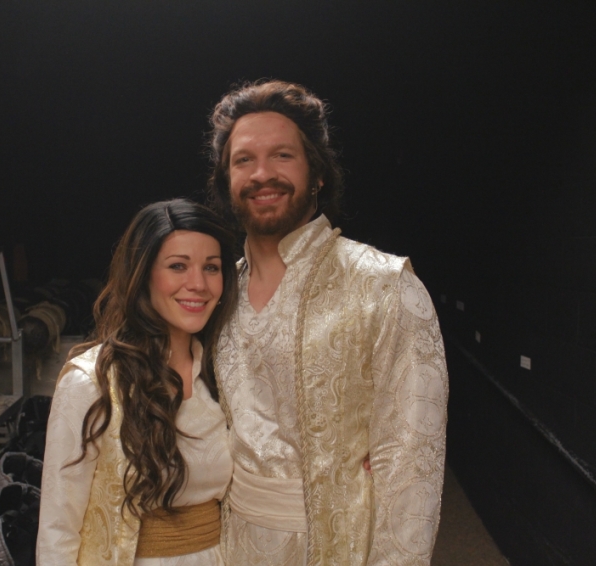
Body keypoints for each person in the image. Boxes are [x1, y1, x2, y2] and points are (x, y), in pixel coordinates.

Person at [206, 80, 449, 565]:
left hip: (337, 548)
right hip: (228, 546)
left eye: (282, 156)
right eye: (243, 160)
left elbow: (412, 468)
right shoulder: (216, 294)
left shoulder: (384, 285)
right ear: (226, 181)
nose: (262, 174)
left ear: (317, 173)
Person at [36, 199, 238, 565]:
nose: (198, 284)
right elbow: (57, 528)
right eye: (178, 266)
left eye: (212, 267)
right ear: (143, 274)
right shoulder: (92, 383)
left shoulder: (225, 376)